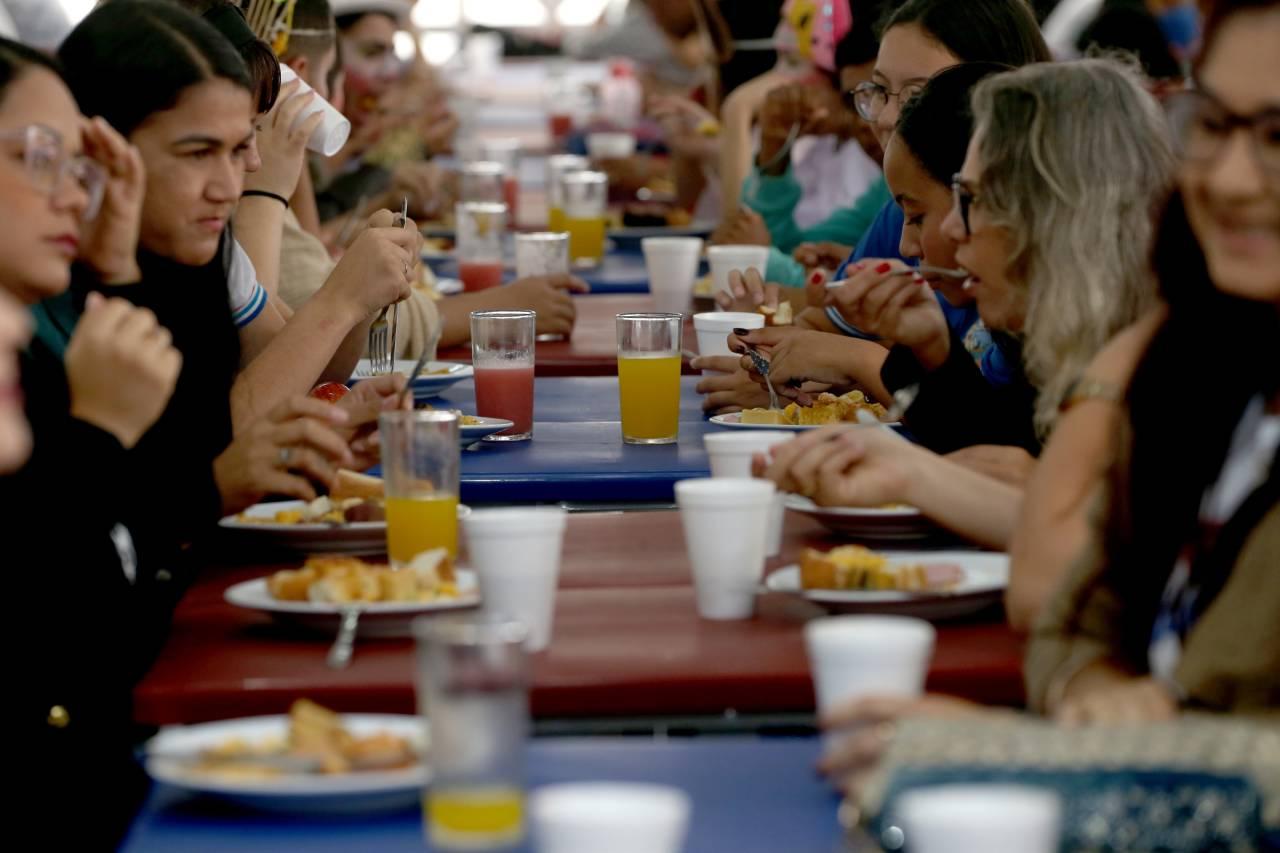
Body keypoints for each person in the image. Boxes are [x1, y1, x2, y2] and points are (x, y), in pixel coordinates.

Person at [815, 3, 1280, 824]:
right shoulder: (1218, 378)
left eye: (1276, 135)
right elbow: (1075, 621)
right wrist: (1091, 703)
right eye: (1215, 125)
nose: (1233, 177)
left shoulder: (1152, 357)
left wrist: (1038, 753)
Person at [757, 57, 1173, 548]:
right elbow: (999, 450)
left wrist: (914, 474)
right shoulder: (1057, 332)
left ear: (1050, 212)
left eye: (972, 200)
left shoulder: (1167, 365)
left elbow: (1103, 552)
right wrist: (932, 354)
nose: (955, 228)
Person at [0, 35, 186, 846]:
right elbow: (59, 652)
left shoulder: (33, 345)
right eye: (42, 157)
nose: (77, 195)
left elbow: (145, 586)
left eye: (83, 167)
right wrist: (97, 440)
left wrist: (116, 272)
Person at [693, 0, 1050, 415]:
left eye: (919, 96)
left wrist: (859, 367)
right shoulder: (903, 210)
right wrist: (786, 369)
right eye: (878, 91)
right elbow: (824, 327)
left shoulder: (1048, 268)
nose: (884, 117)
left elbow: (1008, 433)